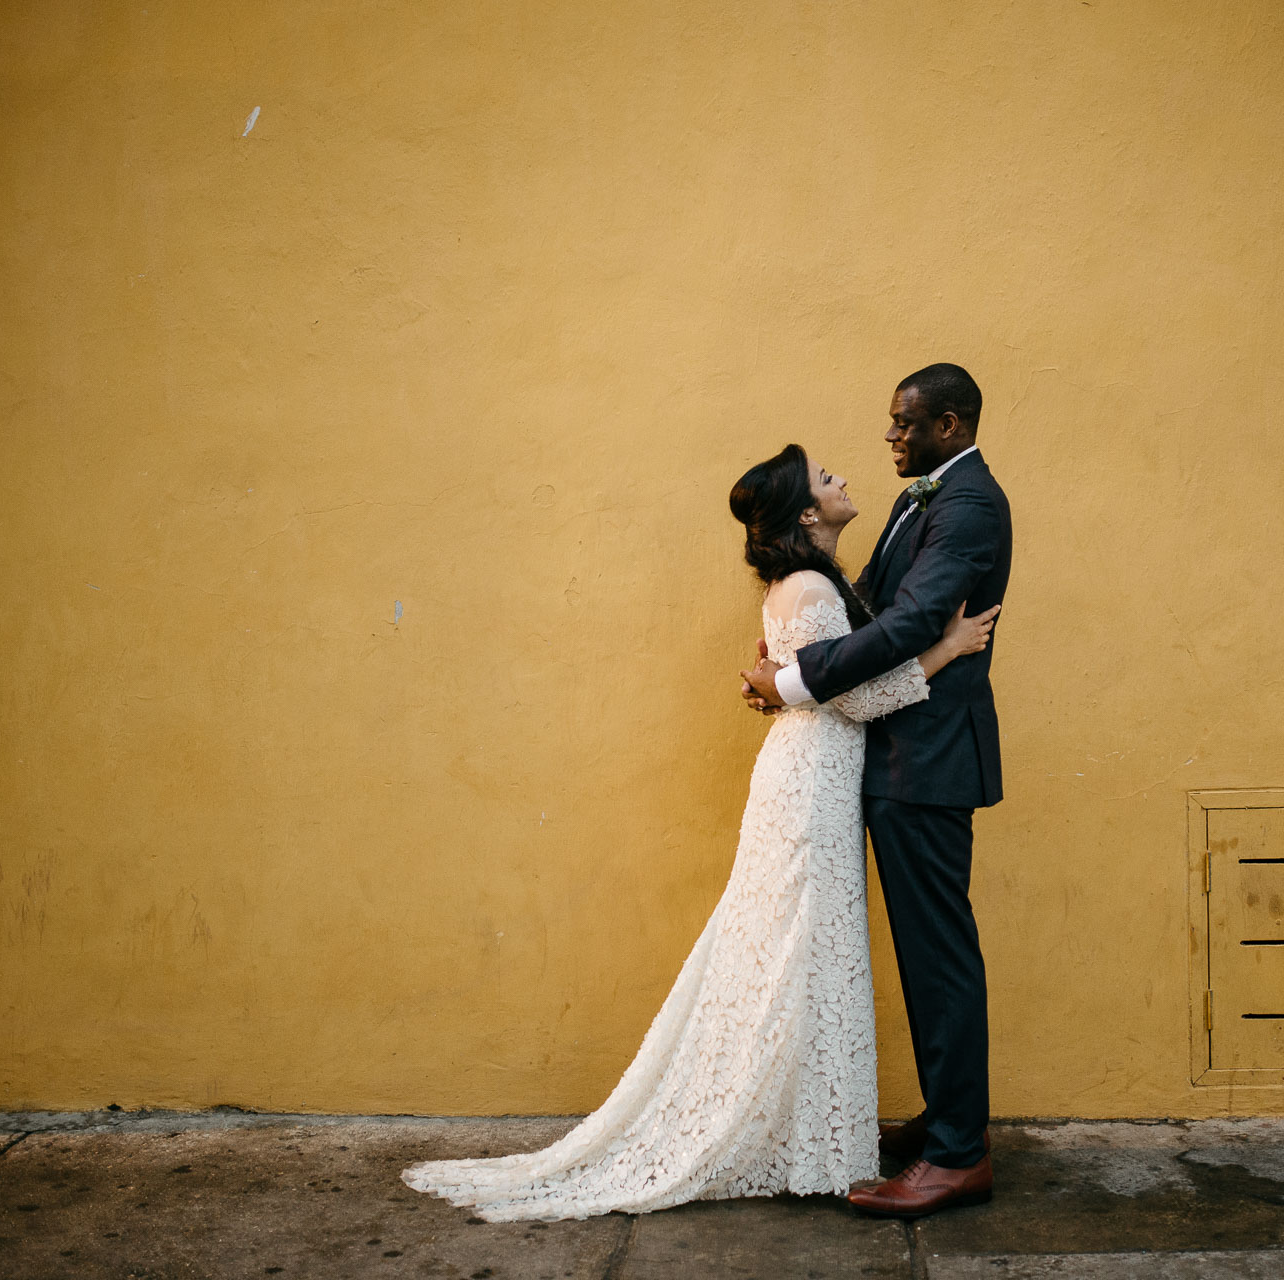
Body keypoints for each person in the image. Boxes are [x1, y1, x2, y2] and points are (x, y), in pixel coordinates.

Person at [401, 443, 998, 1222]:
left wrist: (785, 686)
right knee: (800, 946)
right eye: (825, 479)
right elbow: (848, 697)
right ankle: (801, 1129)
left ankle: (805, 1125)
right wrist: (943, 651)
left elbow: (823, 678)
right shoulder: (811, 583)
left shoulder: (811, 581)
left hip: (811, 771)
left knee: (798, 950)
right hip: (812, 781)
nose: (843, 477)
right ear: (807, 514)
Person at [741, 362, 1009, 1218]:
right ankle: (945, 1122)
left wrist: (795, 680)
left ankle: (959, 1156)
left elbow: (909, 623)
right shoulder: (918, 496)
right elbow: (869, 611)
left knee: (940, 958)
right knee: (925, 956)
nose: (889, 436)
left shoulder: (966, 504)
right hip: (893, 753)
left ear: (951, 424)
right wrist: (793, 663)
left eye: (906, 423)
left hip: (926, 760)